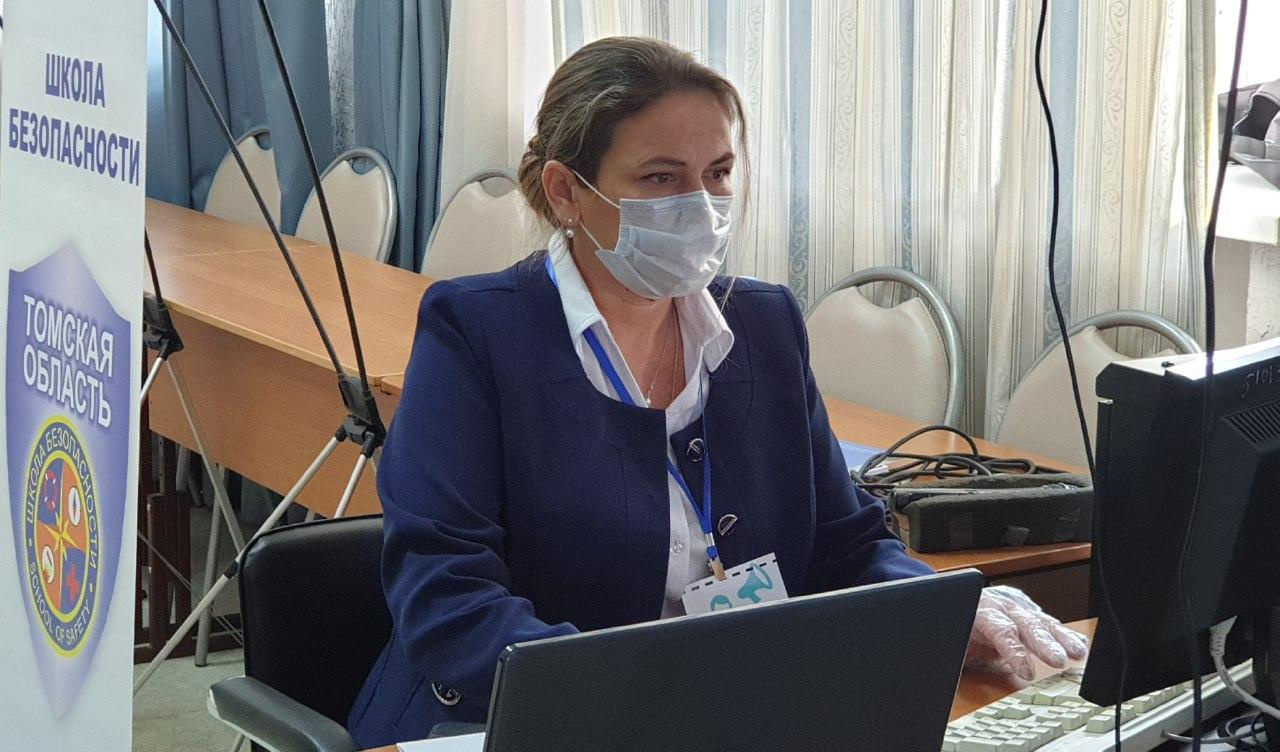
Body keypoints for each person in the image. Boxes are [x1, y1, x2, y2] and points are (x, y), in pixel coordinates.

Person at [347, 36, 1086, 747]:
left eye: (720, 172)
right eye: (660, 178)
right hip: (521, 722)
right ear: (567, 191)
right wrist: (654, 695)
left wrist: (941, 610)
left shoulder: (764, 324)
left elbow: (847, 543)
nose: (700, 206)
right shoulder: (476, 331)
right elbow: (447, 596)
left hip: (738, 713)